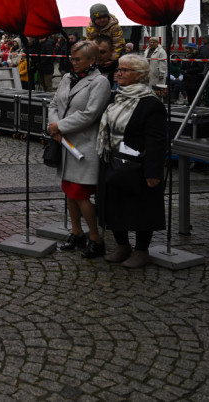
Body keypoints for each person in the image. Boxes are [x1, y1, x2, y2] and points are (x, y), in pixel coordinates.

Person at [98, 54, 168, 269]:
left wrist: (153, 173)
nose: (118, 73)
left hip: (137, 166)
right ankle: (122, 246)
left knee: (140, 209)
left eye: (124, 70)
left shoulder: (151, 104)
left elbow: (156, 141)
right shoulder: (117, 97)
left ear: (139, 75)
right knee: (114, 206)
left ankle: (141, 250)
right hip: (113, 160)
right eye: (118, 69)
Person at [47, 40, 112, 259]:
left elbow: (90, 114)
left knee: (80, 193)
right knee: (69, 192)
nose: (73, 63)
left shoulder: (100, 82)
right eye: (72, 58)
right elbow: (54, 104)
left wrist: (60, 126)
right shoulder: (67, 77)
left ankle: (96, 238)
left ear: (92, 60)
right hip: (64, 143)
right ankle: (77, 233)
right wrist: (54, 126)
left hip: (84, 145)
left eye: (78, 59)